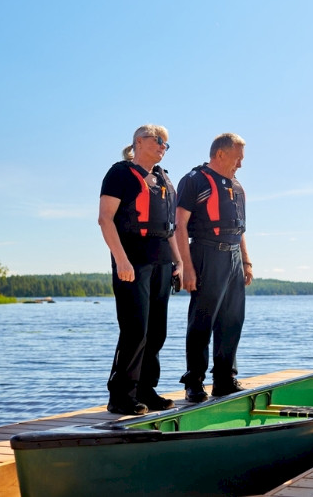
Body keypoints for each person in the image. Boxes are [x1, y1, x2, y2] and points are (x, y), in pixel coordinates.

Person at [98, 124, 182, 415]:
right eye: (158, 141)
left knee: (157, 331)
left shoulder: (162, 180)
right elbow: (105, 220)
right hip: (132, 259)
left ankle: (146, 389)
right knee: (135, 329)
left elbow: (169, 227)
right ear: (138, 141)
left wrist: (179, 261)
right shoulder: (120, 174)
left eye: (166, 144)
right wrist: (121, 260)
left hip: (161, 260)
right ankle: (121, 396)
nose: (163, 147)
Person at [175, 133, 253, 402]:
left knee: (232, 320)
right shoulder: (194, 181)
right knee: (202, 319)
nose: (241, 163)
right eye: (238, 157)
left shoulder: (236, 186)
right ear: (220, 154)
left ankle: (224, 379)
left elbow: (240, 228)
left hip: (233, 257)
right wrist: (185, 266)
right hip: (206, 252)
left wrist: (246, 261)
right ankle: (194, 382)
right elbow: (180, 225)